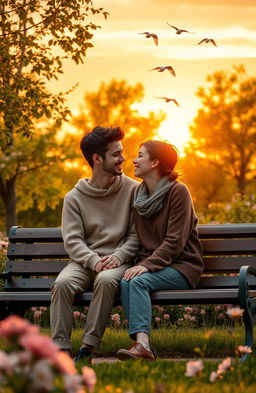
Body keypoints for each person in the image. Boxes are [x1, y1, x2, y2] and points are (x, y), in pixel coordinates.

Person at [50, 125, 139, 362]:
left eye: (122, 152)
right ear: (97, 159)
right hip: (83, 262)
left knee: (107, 280)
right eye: (116, 154)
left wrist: (119, 256)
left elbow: (136, 235)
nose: (123, 158)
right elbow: (73, 240)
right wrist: (93, 260)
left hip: (117, 260)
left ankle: (86, 349)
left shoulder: (133, 190)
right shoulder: (74, 197)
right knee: (62, 284)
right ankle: (61, 351)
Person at [116, 140, 204, 361]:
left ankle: (142, 345)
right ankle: (142, 345)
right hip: (155, 266)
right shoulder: (139, 194)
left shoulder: (178, 192)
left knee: (137, 280)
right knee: (126, 279)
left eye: (140, 155)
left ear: (155, 162)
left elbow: (174, 242)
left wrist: (145, 266)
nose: (134, 160)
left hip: (183, 266)